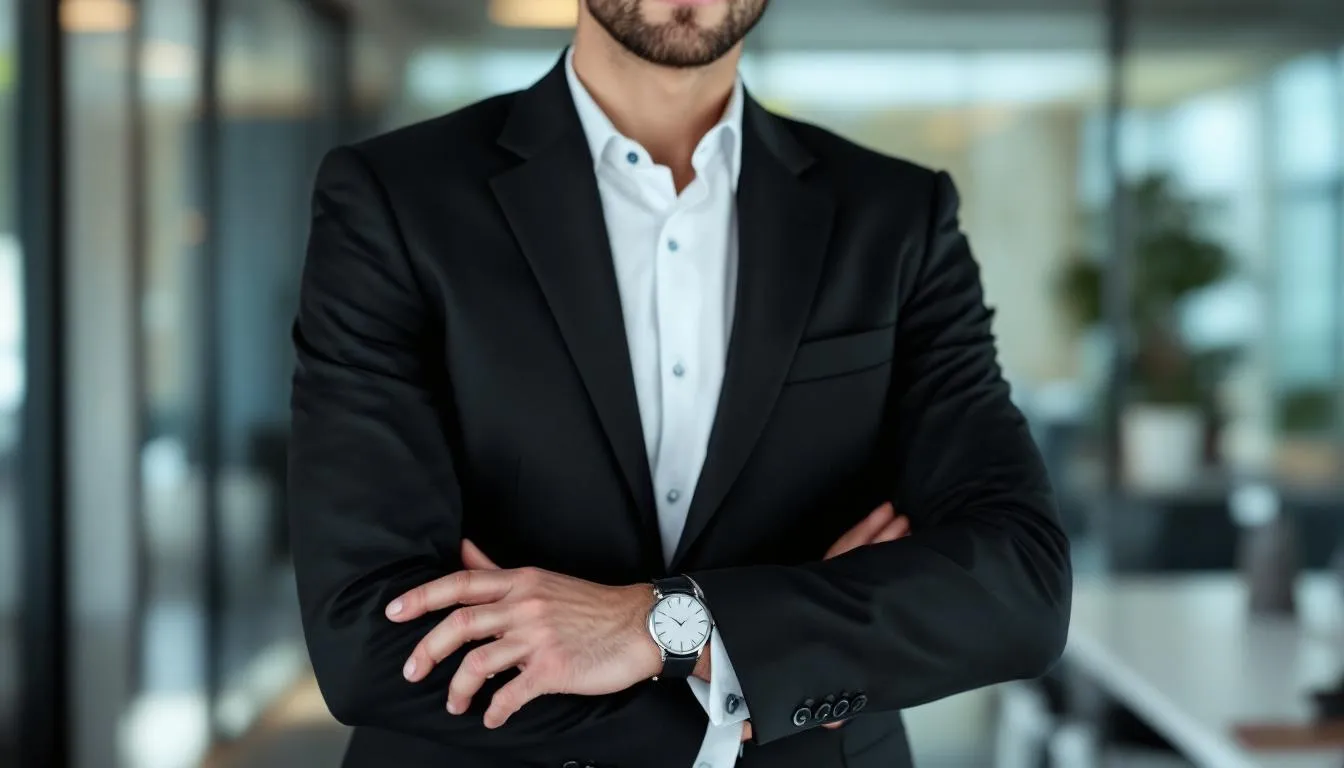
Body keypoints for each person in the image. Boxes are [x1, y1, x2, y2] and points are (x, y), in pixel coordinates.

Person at [287, 0, 1072, 766]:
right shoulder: (396, 200)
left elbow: (1018, 588)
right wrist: (783, 657)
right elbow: (372, 637)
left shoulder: (898, 218)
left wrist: (654, 627)